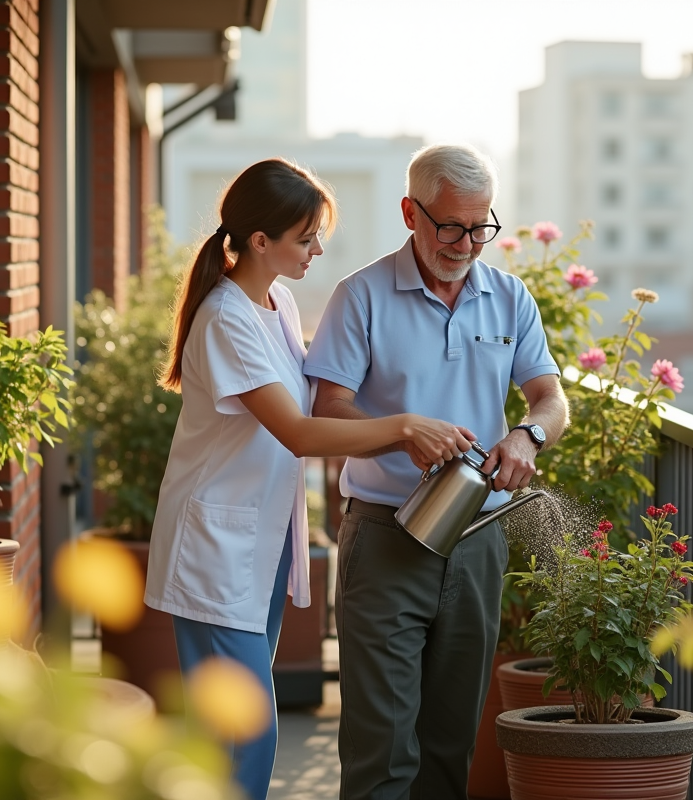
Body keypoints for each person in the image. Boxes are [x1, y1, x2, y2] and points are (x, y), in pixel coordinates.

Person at [143, 158, 474, 800]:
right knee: (244, 732)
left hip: (256, 545)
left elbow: (318, 395)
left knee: (236, 728)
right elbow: (298, 431)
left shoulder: (278, 303)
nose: (318, 250)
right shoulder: (225, 319)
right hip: (216, 550)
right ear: (261, 241)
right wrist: (404, 425)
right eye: (306, 238)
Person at [302, 143, 570, 799]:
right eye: (451, 225)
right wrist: (401, 436)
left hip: (476, 542)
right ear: (409, 214)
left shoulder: (509, 297)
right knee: (383, 749)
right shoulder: (359, 296)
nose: (467, 242)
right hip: (386, 535)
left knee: (450, 748)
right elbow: (328, 407)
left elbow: (550, 398)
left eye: (481, 226)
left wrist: (528, 437)